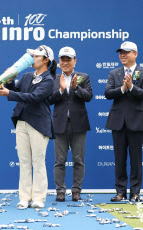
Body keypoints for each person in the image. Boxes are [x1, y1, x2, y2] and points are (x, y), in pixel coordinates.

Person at [0, 45, 57, 209]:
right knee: (24, 161)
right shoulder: (26, 76)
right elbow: (14, 89)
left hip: (39, 123)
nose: (32, 58)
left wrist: (9, 94)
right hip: (21, 121)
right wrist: (8, 80)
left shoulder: (49, 80)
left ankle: (38, 198)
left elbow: (34, 97)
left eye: (36, 56)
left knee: (38, 161)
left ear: (46, 60)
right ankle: (24, 197)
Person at [104, 41, 143, 202]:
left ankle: (135, 192)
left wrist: (131, 87)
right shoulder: (114, 73)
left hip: (136, 122)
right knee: (119, 159)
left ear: (135, 54)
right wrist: (123, 89)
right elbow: (108, 93)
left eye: (126, 52)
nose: (122, 55)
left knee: (136, 159)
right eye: (120, 52)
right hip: (117, 121)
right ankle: (120, 192)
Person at [49, 47, 93, 202]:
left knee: (78, 160)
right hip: (60, 124)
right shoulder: (53, 78)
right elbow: (48, 100)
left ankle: (76, 191)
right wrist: (61, 90)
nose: (65, 62)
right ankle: (60, 191)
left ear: (75, 60)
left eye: (69, 59)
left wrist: (76, 88)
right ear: (59, 61)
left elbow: (89, 97)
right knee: (59, 160)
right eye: (63, 59)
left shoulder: (83, 76)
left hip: (79, 124)